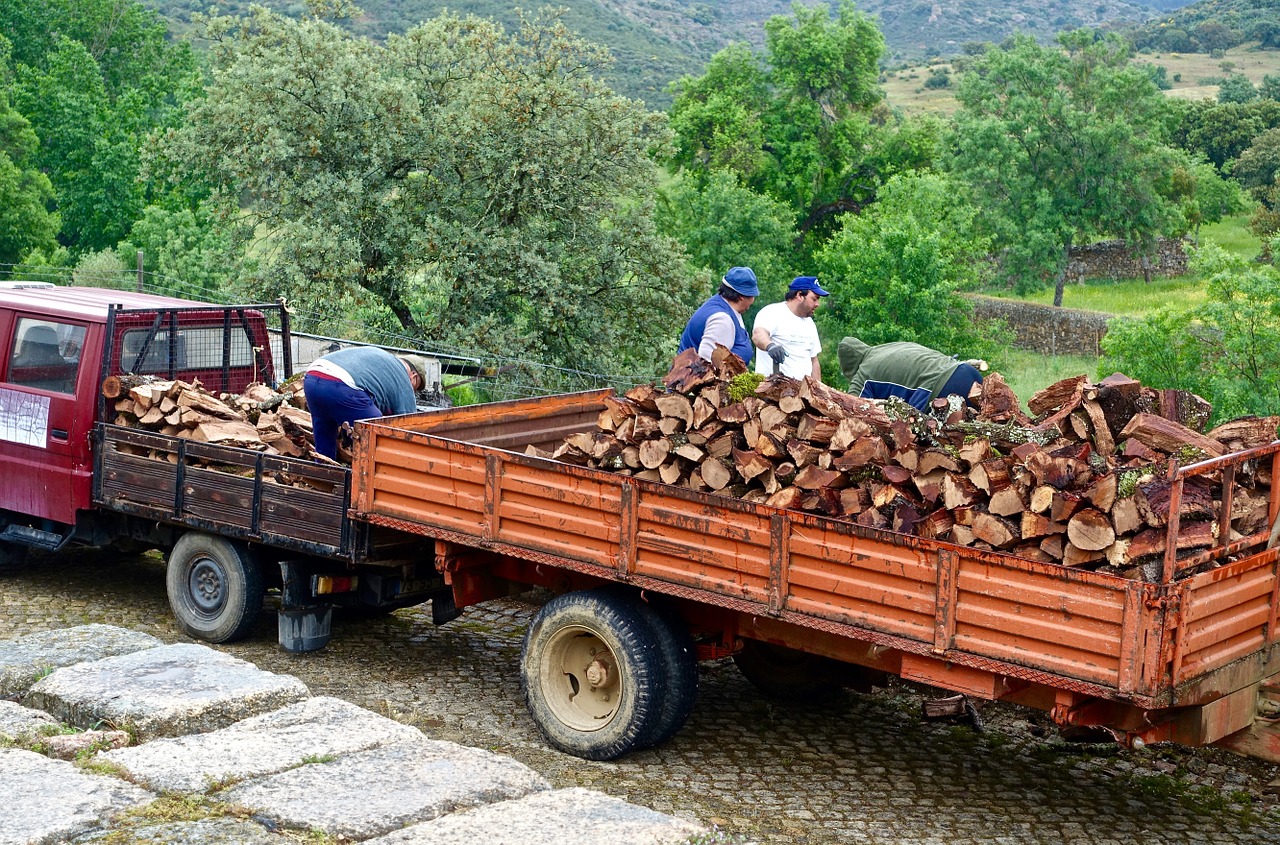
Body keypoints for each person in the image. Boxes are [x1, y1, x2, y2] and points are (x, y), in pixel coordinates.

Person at [303, 346, 430, 459]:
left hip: (312, 378)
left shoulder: (383, 362)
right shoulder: (403, 377)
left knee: (324, 435)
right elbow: (408, 425)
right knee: (375, 431)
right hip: (339, 385)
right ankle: (370, 479)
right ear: (414, 377)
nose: (413, 391)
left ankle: (322, 477)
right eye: (416, 387)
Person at [837, 337, 984, 411]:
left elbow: (853, 409)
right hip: (967, 372)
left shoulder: (862, 374)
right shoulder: (886, 347)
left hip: (943, 391)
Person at [677, 266, 758, 365]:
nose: (753, 301)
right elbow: (708, 364)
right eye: (753, 296)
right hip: (694, 379)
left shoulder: (723, 305)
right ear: (741, 296)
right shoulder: (722, 320)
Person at [752, 275, 828, 380]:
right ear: (799, 295)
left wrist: (818, 390)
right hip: (772, 391)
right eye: (814, 299)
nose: (817, 304)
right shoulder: (772, 312)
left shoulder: (809, 323)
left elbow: (813, 360)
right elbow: (758, 335)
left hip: (802, 393)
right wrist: (770, 346)